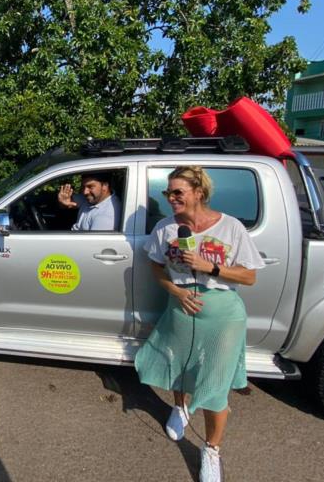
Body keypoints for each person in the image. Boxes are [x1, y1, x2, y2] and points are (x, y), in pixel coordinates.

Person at [134, 166, 265, 482]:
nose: (171, 198)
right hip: (181, 307)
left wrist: (211, 267)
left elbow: (250, 275)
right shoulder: (166, 229)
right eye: (168, 193)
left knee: (215, 385)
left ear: (199, 193)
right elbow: (156, 267)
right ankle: (179, 409)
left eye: (177, 192)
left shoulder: (230, 227)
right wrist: (175, 290)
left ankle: (211, 450)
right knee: (179, 365)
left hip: (222, 315)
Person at [57, 171, 122, 231]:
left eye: (90, 187)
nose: (85, 192)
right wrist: (63, 202)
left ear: (105, 186)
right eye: (83, 187)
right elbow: (67, 204)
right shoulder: (92, 198)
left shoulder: (107, 215)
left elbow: (93, 243)